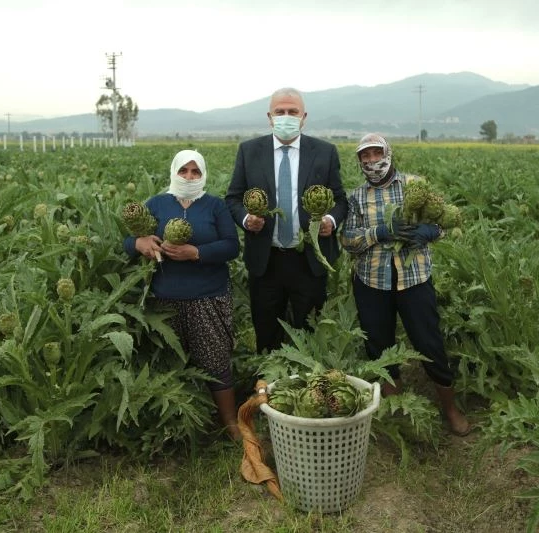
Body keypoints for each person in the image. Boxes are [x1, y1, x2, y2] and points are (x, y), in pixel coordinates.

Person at [339, 133, 471, 437]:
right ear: (359, 161)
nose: (372, 161)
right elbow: (348, 240)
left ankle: (450, 409)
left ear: (389, 153)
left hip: (414, 280)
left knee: (429, 343)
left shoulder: (415, 185)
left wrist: (430, 231)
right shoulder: (356, 197)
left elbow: (444, 221)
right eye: (365, 156)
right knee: (380, 347)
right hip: (372, 282)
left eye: (377, 153)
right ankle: (398, 411)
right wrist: (380, 232)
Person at [124, 149, 242, 441]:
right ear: (174, 172)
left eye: (196, 172)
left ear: (203, 175)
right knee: (169, 364)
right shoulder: (157, 204)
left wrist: (196, 252)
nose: (189, 177)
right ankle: (177, 427)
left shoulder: (215, 206)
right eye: (184, 171)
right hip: (164, 299)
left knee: (215, 361)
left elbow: (231, 246)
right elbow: (129, 242)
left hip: (207, 297)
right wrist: (137, 243)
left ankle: (230, 423)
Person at [225, 87, 347, 354]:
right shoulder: (249, 151)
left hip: (309, 260)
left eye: (293, 112)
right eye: (280, 112)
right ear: (269, 117)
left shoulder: (325, 152)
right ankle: (268, 388)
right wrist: (247, 219)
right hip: (266, 261)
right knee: (267, 335)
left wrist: (329, 220)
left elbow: (340, 199)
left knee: (311, 337)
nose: (286, 116)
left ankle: (308, 390)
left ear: (304, 117)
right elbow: (233, 197)